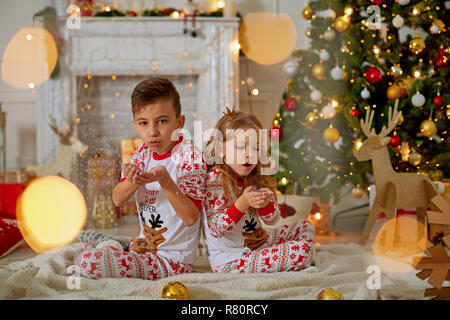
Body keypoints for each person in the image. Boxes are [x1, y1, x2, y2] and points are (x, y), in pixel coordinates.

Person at [76, 77, 207, 280]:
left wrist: (165, 180)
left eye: (162, 121)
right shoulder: (142, 152)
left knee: (89, 262)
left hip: (173, 260)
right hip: (144, 247)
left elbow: (191, 218)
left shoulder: (190, 157)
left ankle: (111, 245)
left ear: (179, 123)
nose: (152, 132)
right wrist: (133, 180)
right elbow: (117, 199)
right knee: (94, 250)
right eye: (144, 123)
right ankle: (115, 244)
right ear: (136, 125)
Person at [202, 107, 316, 273]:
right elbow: (216, 229)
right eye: (241, 147)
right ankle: (296, 259)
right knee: (302, 250)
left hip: (257, 243)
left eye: (256, 148)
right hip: (232, 260)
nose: (250, 154)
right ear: (221, 150)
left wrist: (265, 205)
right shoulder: (216, 178)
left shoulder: (254, 177)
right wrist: (243, 203)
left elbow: (273, 220)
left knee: (305, 227)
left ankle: (286, 260)